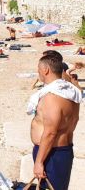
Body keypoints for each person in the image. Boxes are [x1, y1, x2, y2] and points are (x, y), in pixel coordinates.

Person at [29, 54, 82, 190]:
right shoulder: (72, 92)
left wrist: (39, 162)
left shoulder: (52, 97)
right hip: (63, 150)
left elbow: (51, 132)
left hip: (51, 153)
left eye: (39, 69)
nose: (38, 73)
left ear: (46, 70)